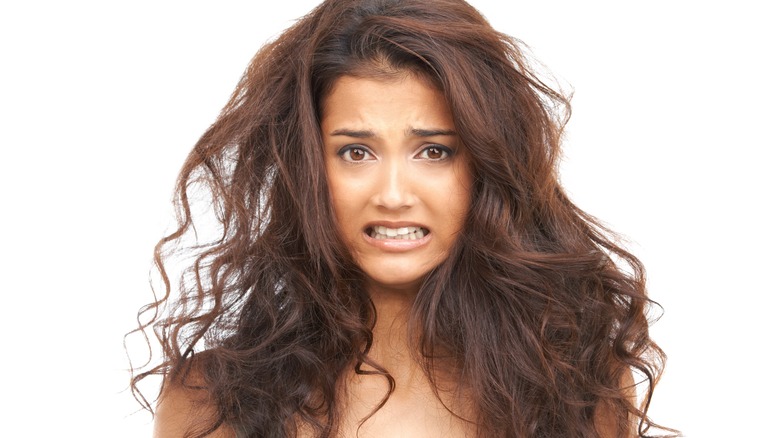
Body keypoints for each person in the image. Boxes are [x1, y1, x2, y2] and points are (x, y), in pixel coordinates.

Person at [130, 0, 676, 436]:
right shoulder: (213, 399)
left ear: (486, 165)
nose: (393, 195)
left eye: (434, 151)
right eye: (356, 152)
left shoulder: (578, 387)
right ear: (305, 169)